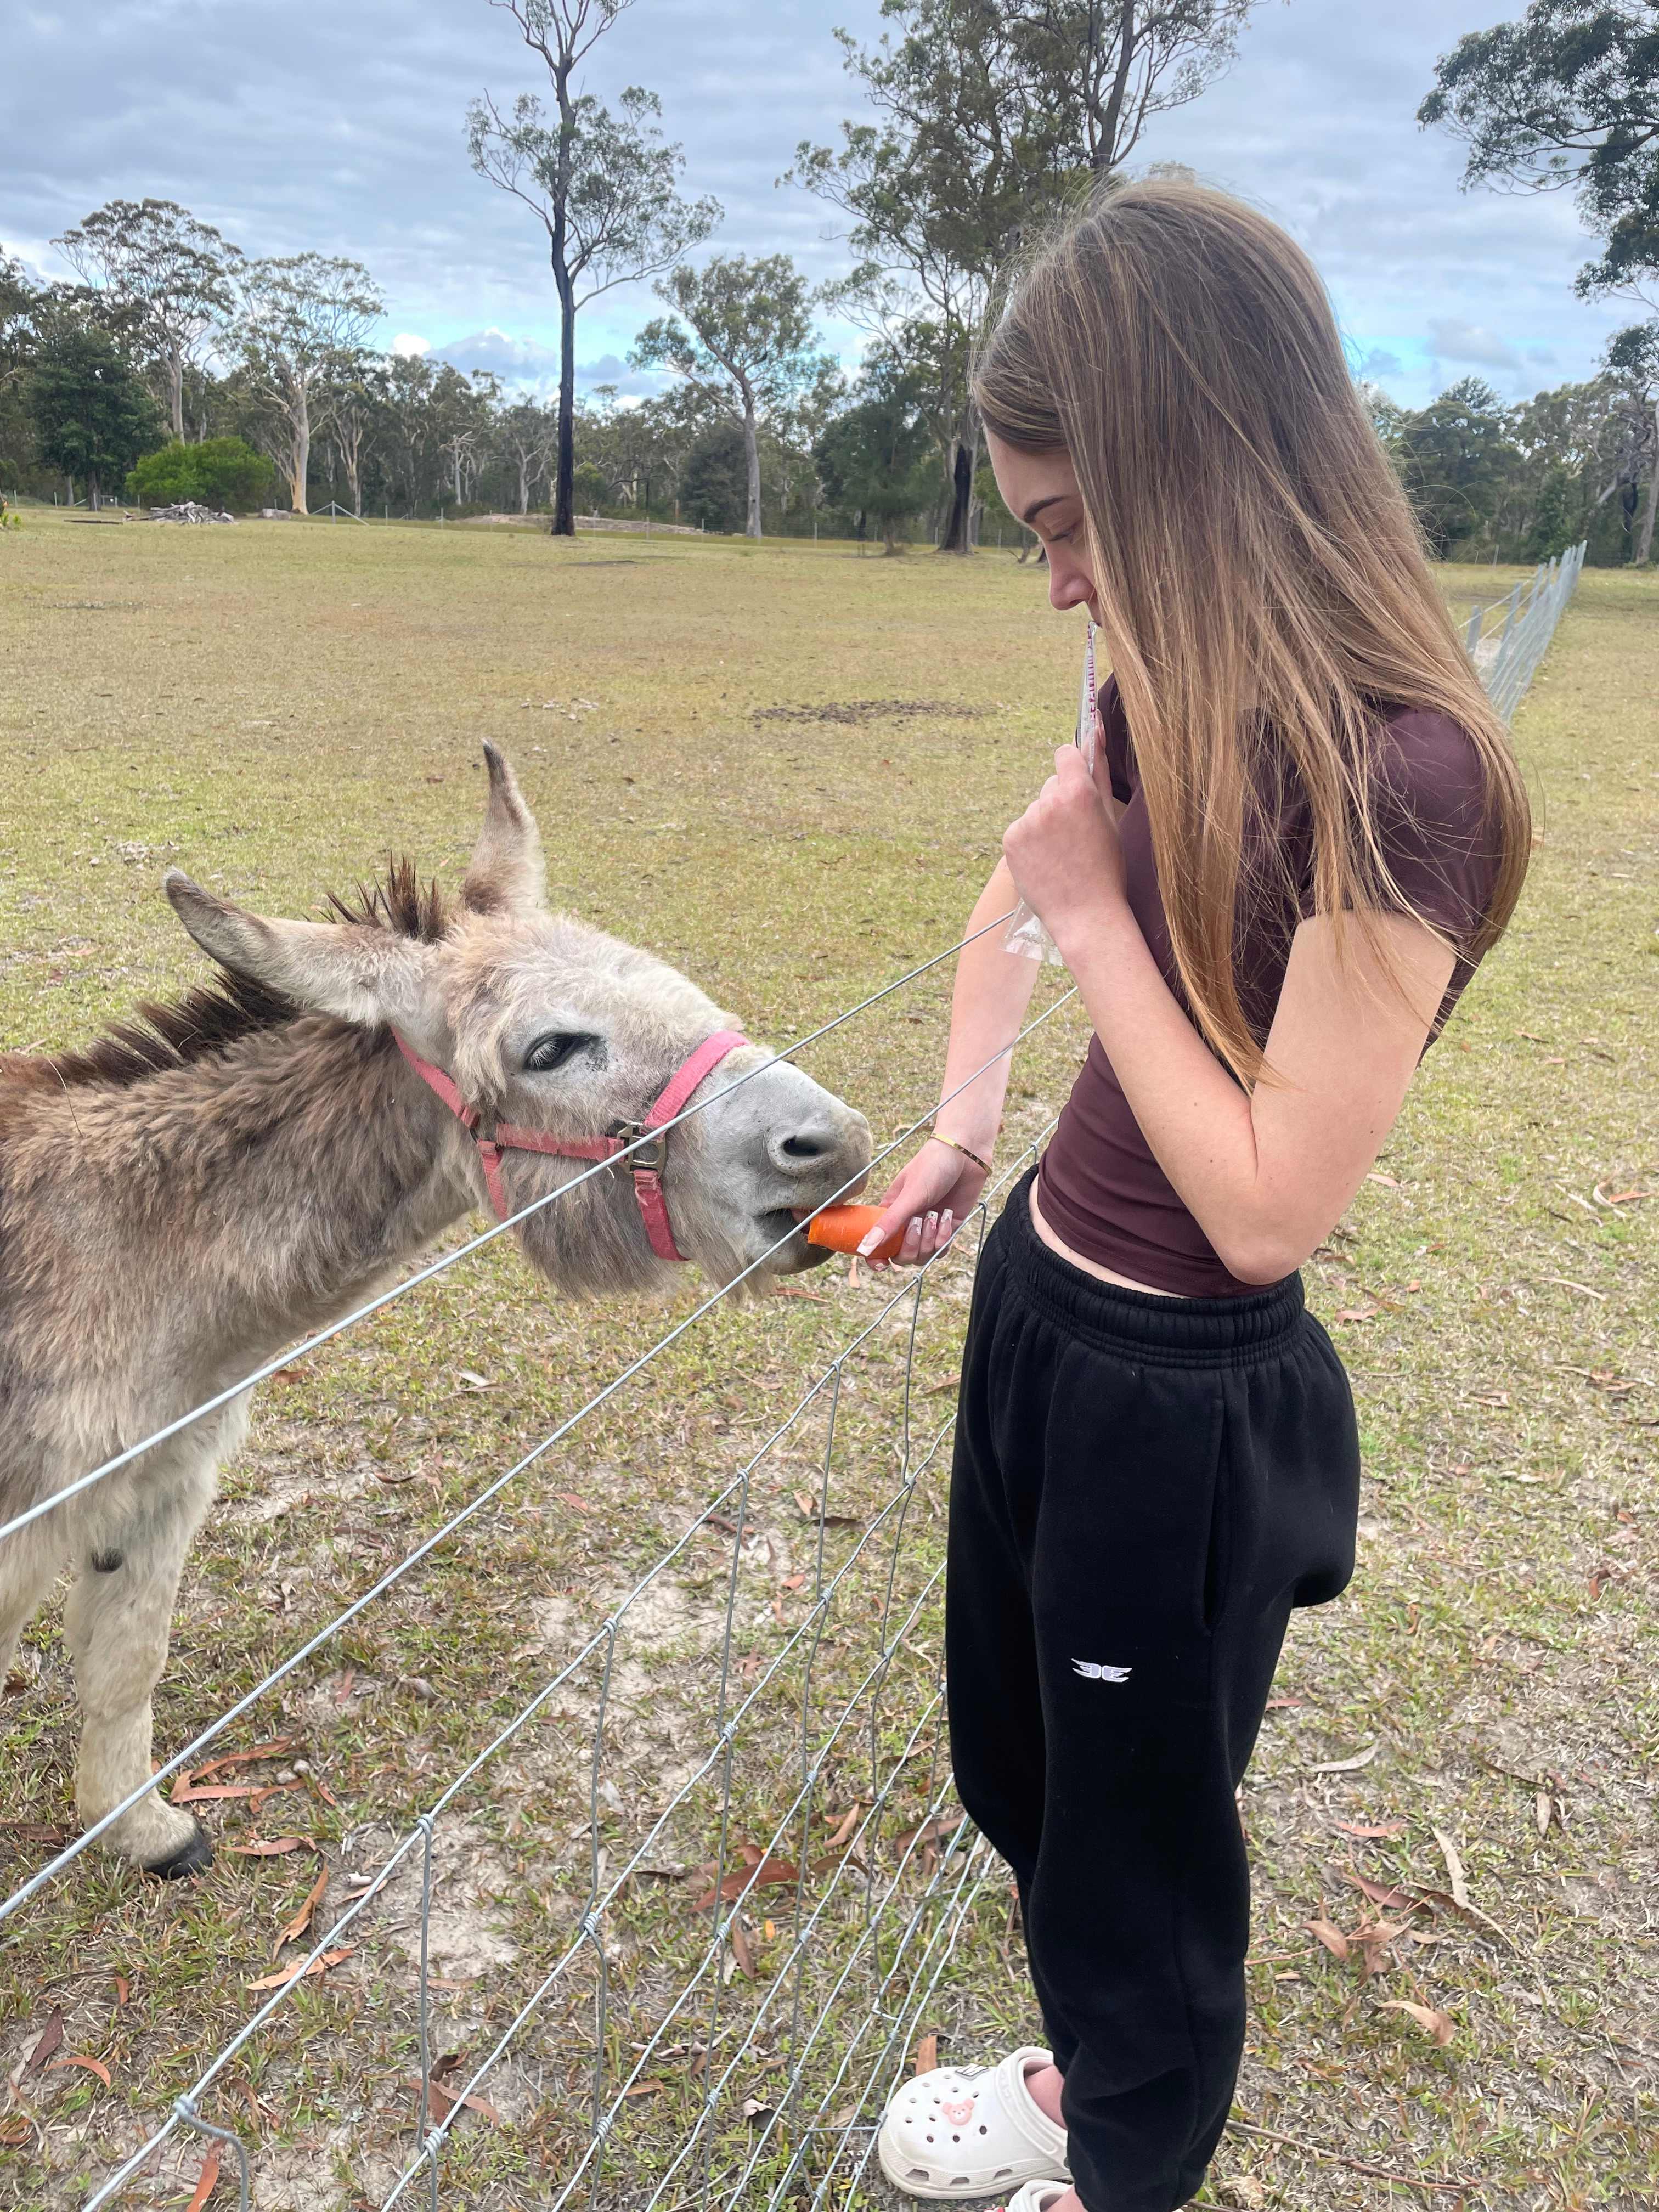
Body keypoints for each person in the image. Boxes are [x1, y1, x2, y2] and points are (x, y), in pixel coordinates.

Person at [858, 180, 1531, 2212]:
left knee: (1139, 1850)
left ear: (1196, 468)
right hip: (1043, 1319)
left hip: (1180, 1392)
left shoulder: (1411, 779)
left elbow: (1262, 1211)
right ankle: (1091, 2069)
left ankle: (1127, 2165)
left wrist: (1092, 914)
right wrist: (971, 1122)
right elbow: (1023, 890)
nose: (1056, 581)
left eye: (1068, 523)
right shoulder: (1176, 683)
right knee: (1033, 1775)